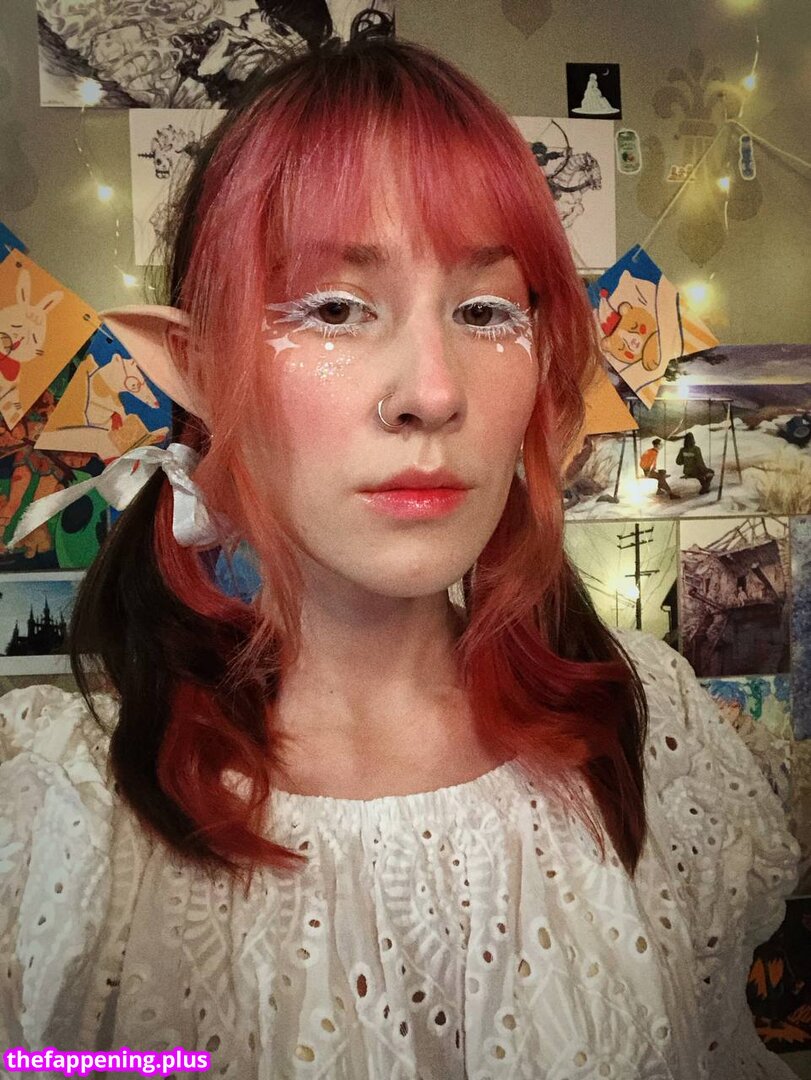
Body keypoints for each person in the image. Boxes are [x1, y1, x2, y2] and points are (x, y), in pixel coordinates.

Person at [0, 35, 799, 1079]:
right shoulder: (60, 818)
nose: (433, 391)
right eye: (335, 309)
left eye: (483, 311)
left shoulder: (644, 735)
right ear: (196, 363)